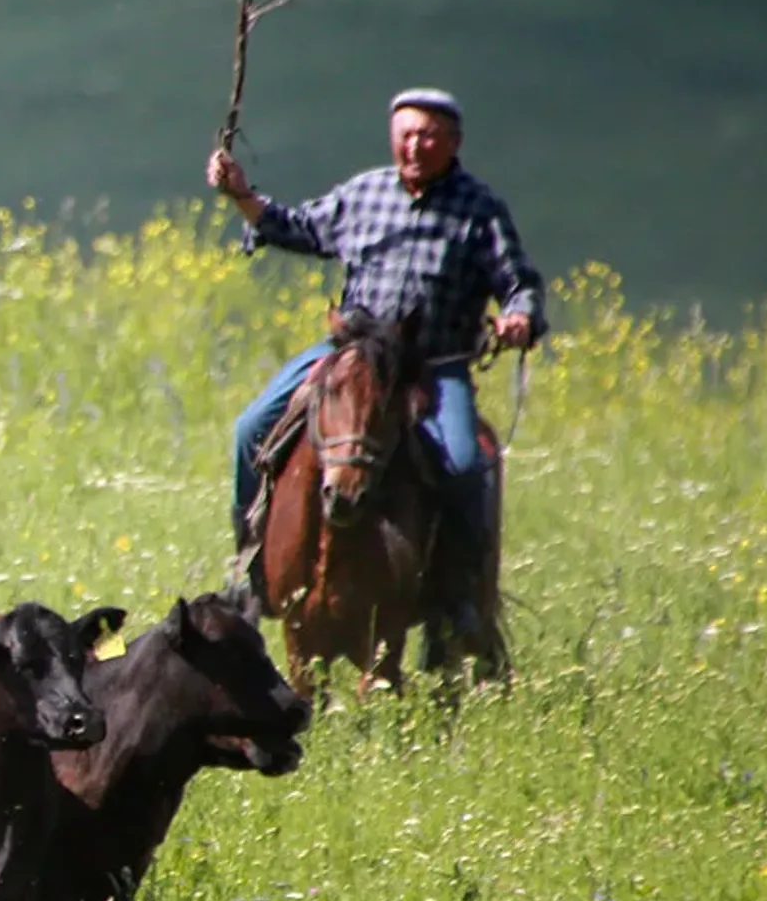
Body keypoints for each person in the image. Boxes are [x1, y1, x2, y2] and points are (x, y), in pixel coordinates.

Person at [209, 89, 545, 655]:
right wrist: (241, 193)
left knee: (466, 465)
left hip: (431, 367)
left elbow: (520, 283)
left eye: (428, 135)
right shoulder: (363, 193)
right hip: (352, 356)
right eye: (406, 134)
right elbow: (295, 227)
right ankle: (249, 568)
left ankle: (459, 600)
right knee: (251, 428)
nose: (414, 145)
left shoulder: (480, 209)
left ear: (454, 142)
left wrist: (519, 317)